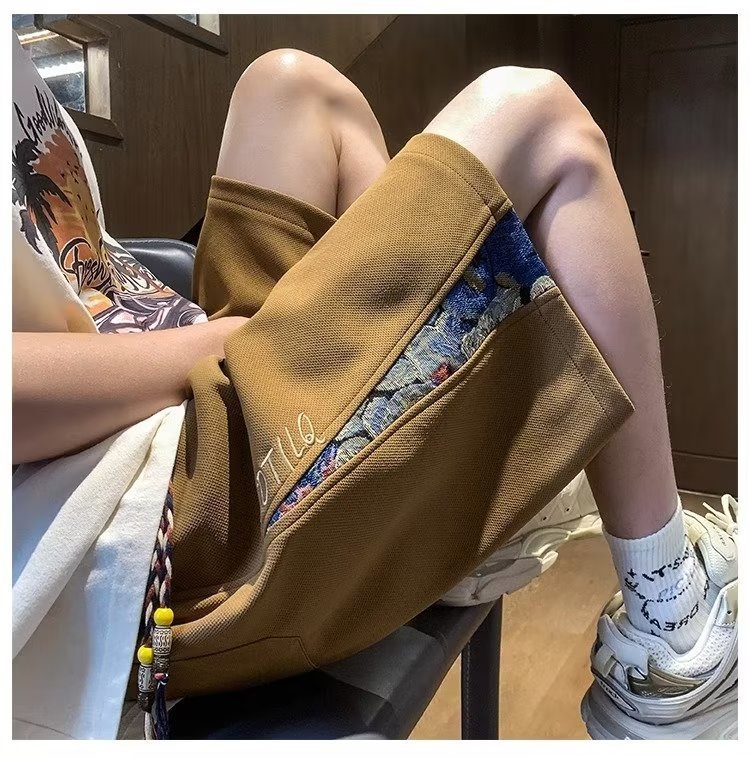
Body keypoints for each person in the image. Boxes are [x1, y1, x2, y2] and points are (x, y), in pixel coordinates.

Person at [12, 37, 737, 741]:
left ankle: (433, 478)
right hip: (152, 512)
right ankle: (671, 636)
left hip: (175, 396)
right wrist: (224, 341)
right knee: (541, 118)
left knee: (294, 88)